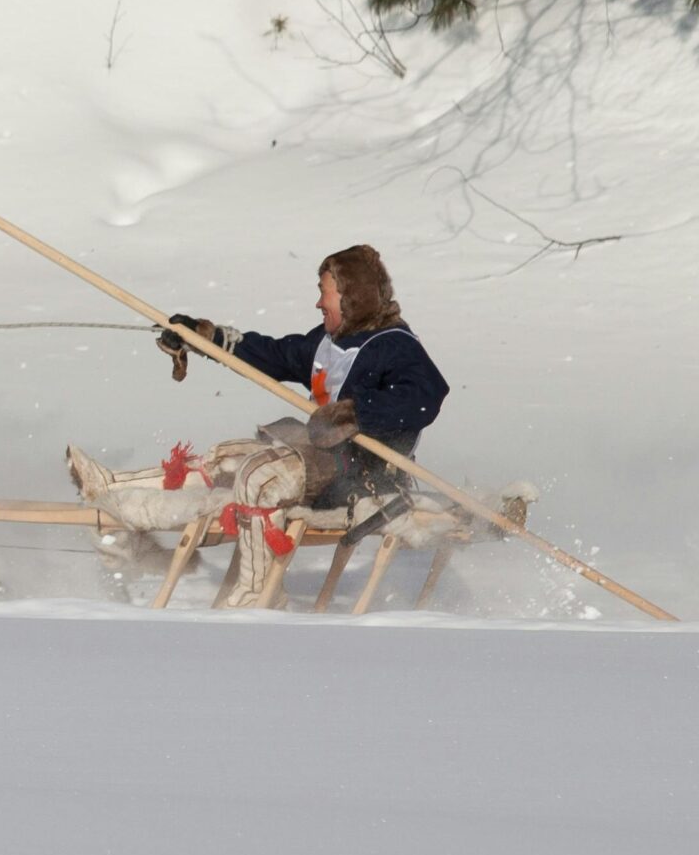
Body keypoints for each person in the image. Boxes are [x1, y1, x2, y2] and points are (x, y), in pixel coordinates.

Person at [66, 245, 451, 605]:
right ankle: (112, 486)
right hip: (321, 460)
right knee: (227, 458)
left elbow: (425, 397)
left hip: (361, 475)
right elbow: (277, 355)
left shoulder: (394, 345)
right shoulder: (329, 340)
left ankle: (256, 595)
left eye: (326, 293)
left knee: (261, 477)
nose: (318, 302)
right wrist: (207, 339)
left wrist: (355, 414)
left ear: (353, 296)